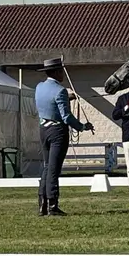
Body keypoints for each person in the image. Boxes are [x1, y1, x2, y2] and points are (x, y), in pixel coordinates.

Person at [34, 57, 94, 216]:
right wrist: (82, 126)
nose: (63, 74)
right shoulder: (60, 90)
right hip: (57, 131)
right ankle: (53, 204)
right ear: (56, 72)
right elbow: (66, 117)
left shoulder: (39, 87)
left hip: (43, 129)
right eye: (60, 71)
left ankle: (42, 204)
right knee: (54, 169)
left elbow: (49, 103)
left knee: (47, 167)